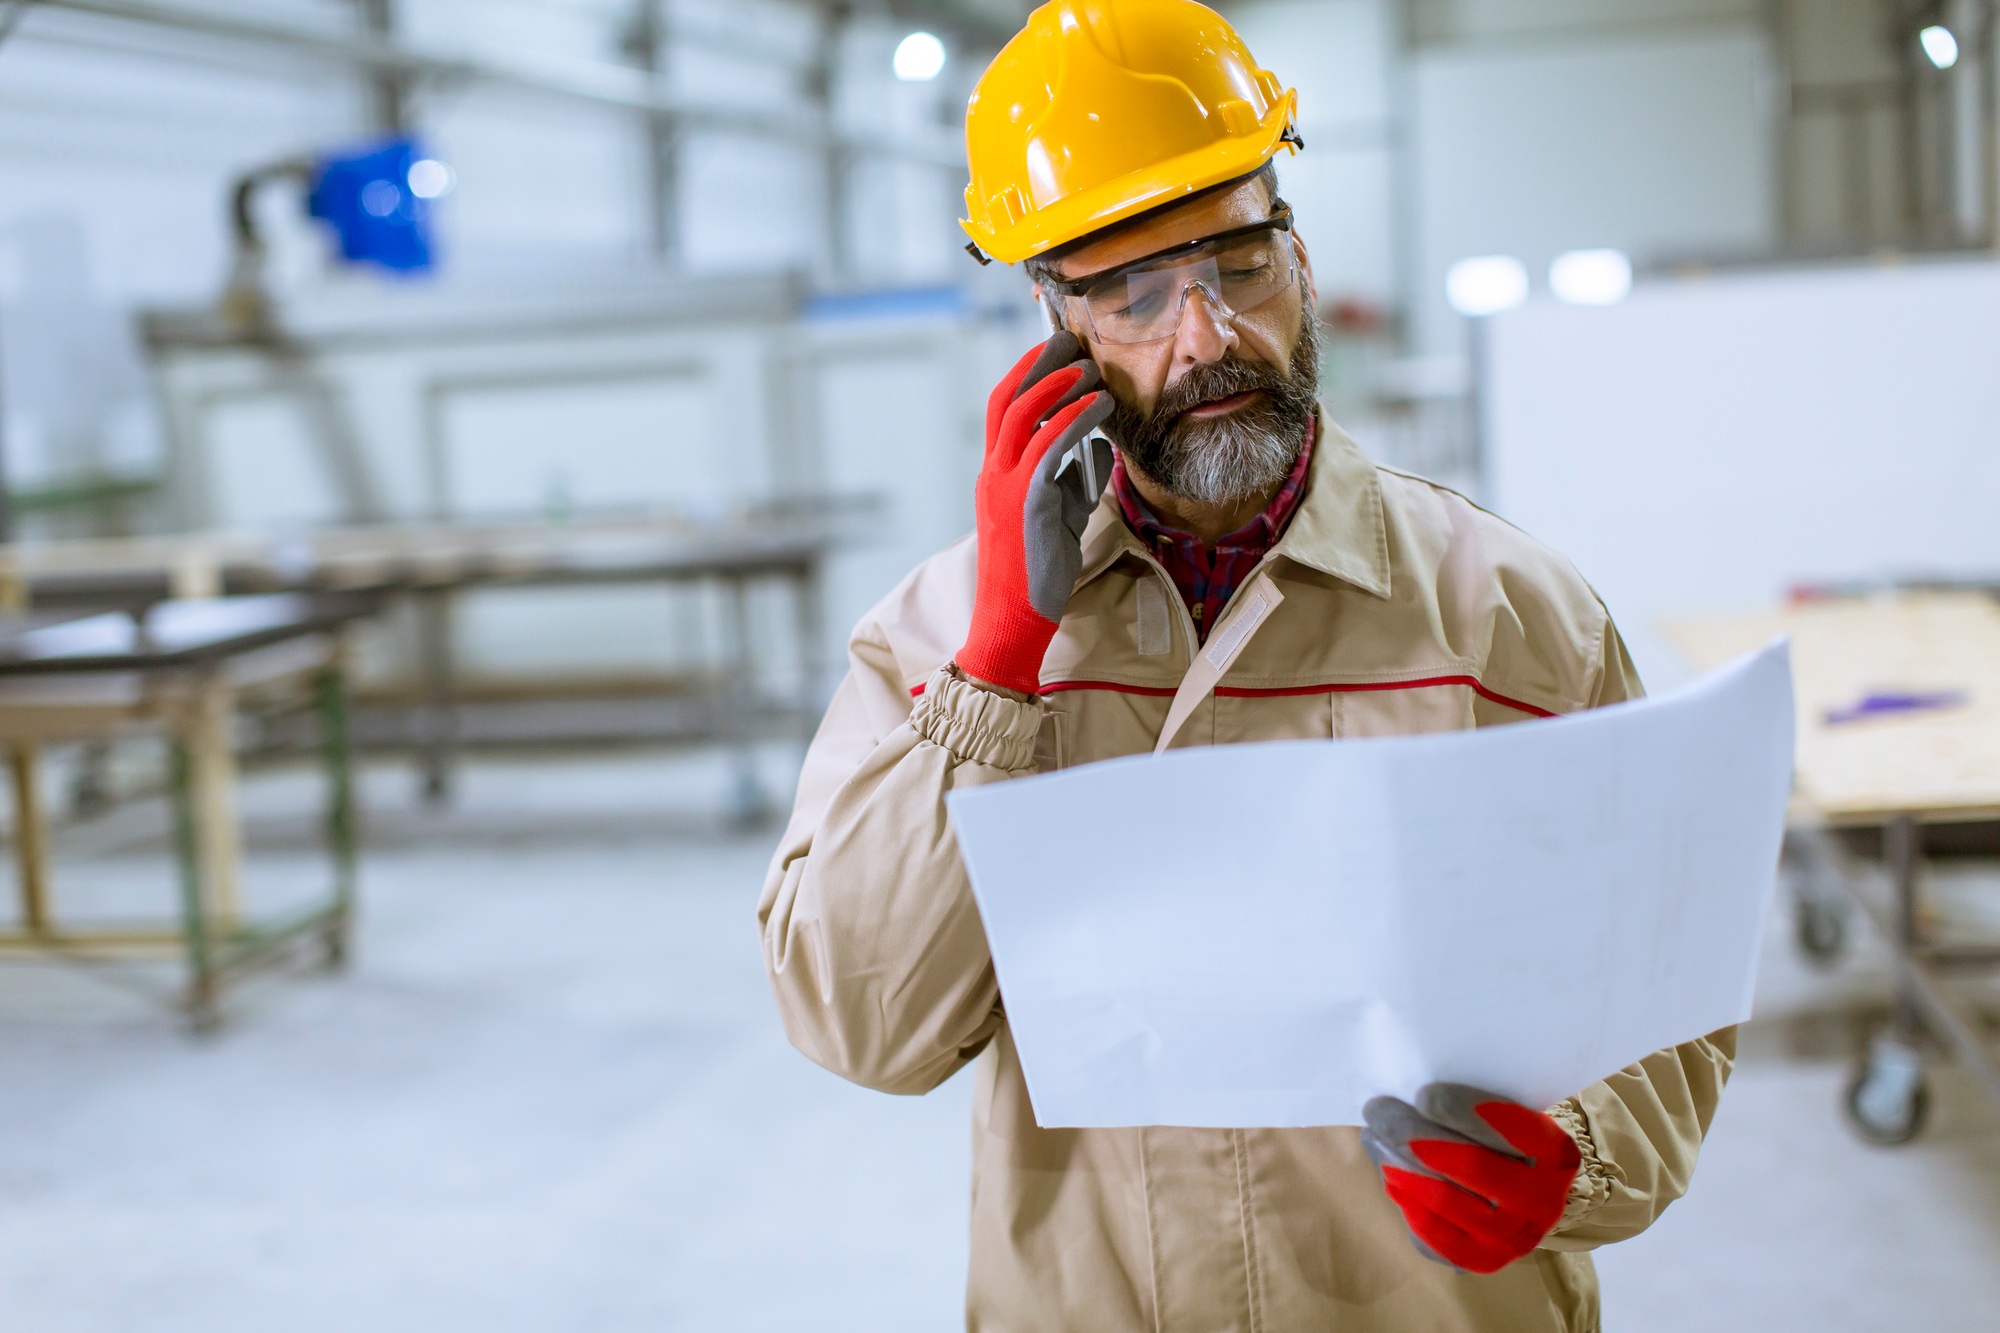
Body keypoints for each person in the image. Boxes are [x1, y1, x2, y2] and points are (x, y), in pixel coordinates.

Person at [757, 3, 1732, 1328]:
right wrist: (997, 669)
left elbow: (1661, 1000)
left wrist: (1580, 1160)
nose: (1207, 336)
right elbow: (864, 1024)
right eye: (1136, 293)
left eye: (1241, 262)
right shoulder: (942, 639)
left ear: (1301, 253)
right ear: (1055, 324)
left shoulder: (1506, 613)